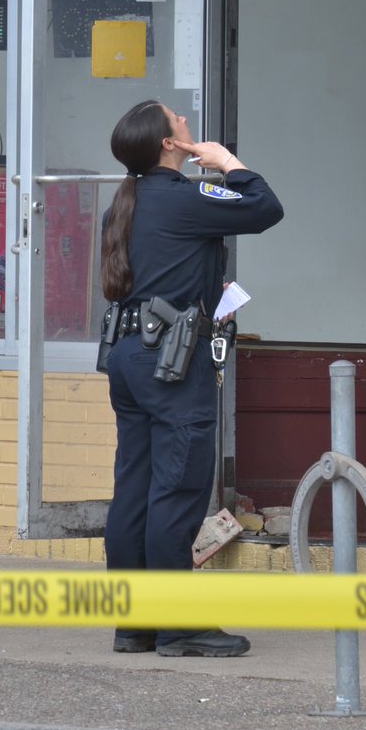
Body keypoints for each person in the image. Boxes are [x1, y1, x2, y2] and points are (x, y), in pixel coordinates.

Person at [99, 100, 283, 657]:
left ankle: (134, 624)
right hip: (172, 362)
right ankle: (179, 626)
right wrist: (228, 161)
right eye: (177, 119)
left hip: (129, 357)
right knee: (176, 489)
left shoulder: (124, 205)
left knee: (134, 489)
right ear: (167, 144)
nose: (185, 121)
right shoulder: (185, 197)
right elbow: (265, 207)